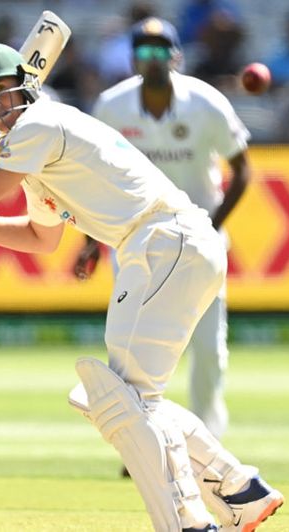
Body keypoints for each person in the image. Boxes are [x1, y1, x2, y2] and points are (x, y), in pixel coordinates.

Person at [0, 42, 283, 532]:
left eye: (0, 91)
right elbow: (39, 238)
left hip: (163, 241)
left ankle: (191, 521)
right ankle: (239, 488)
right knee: (117, 397)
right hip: (161, 247)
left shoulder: (40, 125)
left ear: (25, 84)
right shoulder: (35, 155)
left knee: (123, 401)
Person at [72, 17, 249, 443]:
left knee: (208, 352)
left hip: (201, 244)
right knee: (134, 353)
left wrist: (209, 224)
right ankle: (141, 444)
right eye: (144, 50)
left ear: (177, 56)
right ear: (133, 58)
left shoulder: (206, 103)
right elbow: (96, 178)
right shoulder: (112, 107)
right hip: (136, 242)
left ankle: (208, 448)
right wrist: (90, 243)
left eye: (160, 50)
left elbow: (242, 171)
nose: (152, 59)